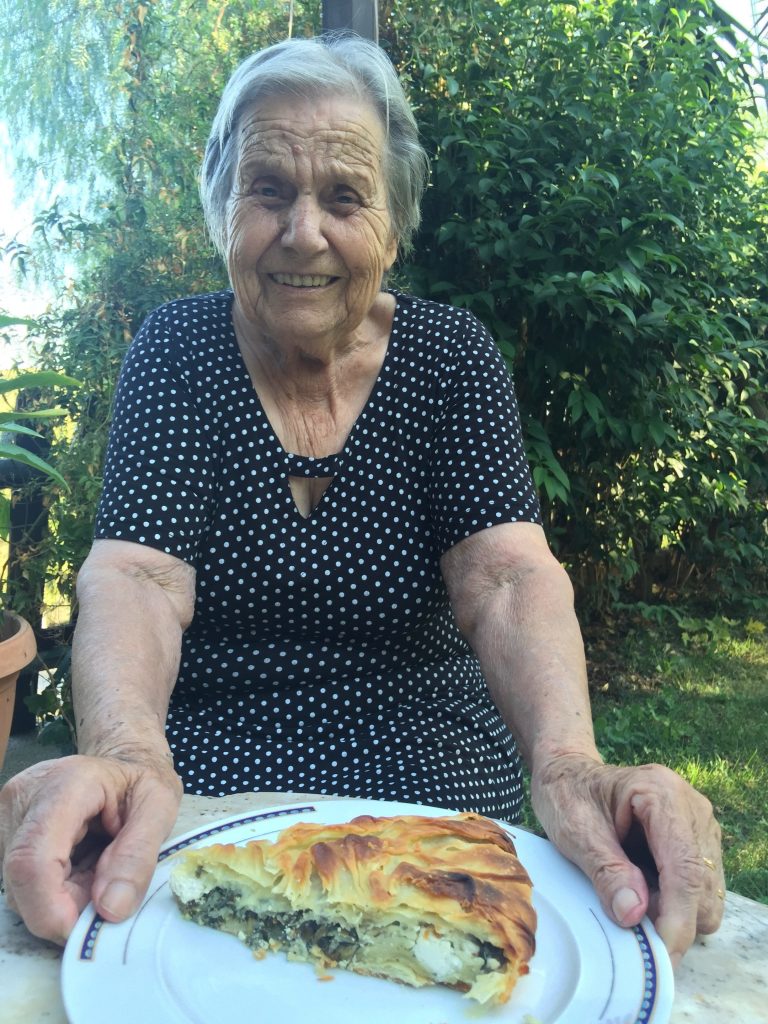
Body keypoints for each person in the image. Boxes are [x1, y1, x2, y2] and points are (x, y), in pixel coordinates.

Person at [0, 34, 723, 967]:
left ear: (394, 224)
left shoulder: (449, 358)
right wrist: (129, 759)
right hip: (206, 785)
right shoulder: (178, 351)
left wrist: (570, 764)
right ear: (221, 206)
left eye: (344, 197)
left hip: (431, 774)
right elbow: (138, 577)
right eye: (268, 189)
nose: (304, 232)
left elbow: (506, 578)